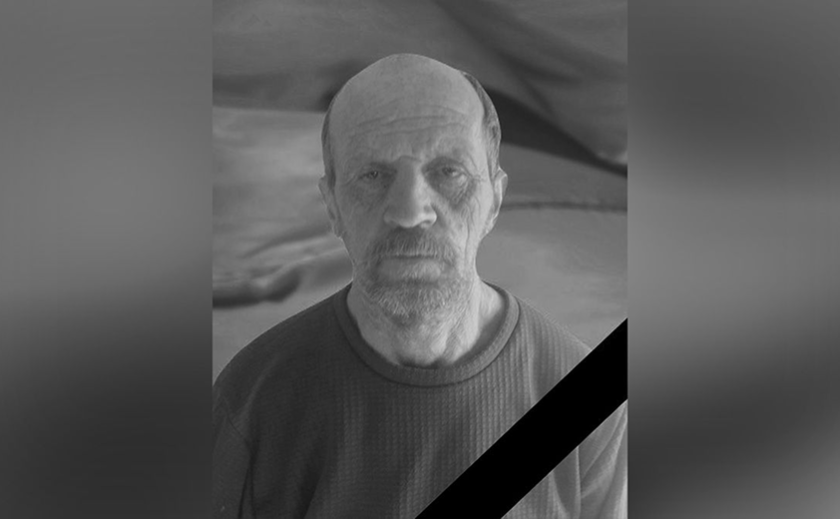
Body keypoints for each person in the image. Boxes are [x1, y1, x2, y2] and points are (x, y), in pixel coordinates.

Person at [213, 53, 626, 518]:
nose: (410, 212)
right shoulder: (250, 402)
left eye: (449, 172)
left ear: (495, 199)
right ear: (332, 206)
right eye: (372, 175)